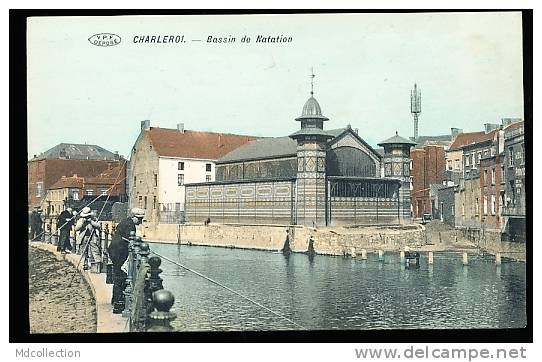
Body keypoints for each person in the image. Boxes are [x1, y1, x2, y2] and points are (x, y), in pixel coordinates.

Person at [108, 207, 145, 314]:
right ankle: (119, 304)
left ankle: (116, 300)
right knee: (121, 276)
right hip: (119, 252)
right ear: (134, 217)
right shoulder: (130, 225)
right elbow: (131, 239)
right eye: (139, 218)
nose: (141, 221)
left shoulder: (125, 222)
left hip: (114, 250)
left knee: (118, 276)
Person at [75, 207, 102, 272]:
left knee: (95, 250)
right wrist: (82, 223)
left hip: (92, 236)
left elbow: (98, 226)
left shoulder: (93, 219)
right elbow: (76, 228)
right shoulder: (81, 220)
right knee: (84, 251)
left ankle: (97, 264)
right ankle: (85, 264)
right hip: (84, 237)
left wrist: (91, 222)